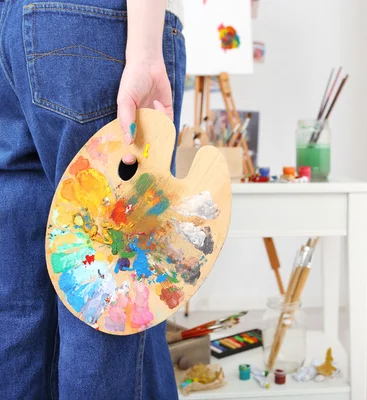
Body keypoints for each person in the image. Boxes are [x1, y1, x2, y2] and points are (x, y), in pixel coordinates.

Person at [0, 0, 185, 398]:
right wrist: (146, 50)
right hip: (94, 27)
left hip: (7, 30)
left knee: (15, 312)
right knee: (109, 311)